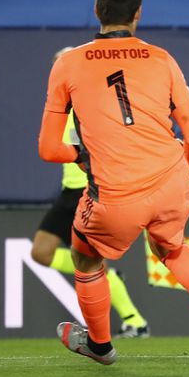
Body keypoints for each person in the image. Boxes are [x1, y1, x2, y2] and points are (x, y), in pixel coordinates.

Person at [38, 0, 189, 370]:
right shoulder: (162, 59)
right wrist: (186, 170)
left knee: (85, 255)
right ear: (138, 14)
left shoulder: (68, 64)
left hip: (116, 193)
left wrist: (84, 154)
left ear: (97, 11)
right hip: (172, 179)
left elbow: (48, 149)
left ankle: (101, 345)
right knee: (171, 247)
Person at [32, 47, 150, 339]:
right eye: (57, 65)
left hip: (92, 190)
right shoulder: (58, 108)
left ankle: (134, 321)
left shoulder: (95, 103)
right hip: (69, 193)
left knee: (91, 260)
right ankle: (110, 279)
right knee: (40, 252)